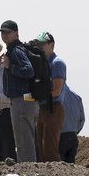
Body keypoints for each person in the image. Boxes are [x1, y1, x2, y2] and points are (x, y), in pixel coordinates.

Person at [0, 20, 37, 163]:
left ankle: (28, 173)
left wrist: (10, 66)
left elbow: (29, 70)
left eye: (8, 32)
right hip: (24, 99)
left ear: (16, 33)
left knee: (23, 140)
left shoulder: (16, 50)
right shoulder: (14, 49)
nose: (4, 35)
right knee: (25, 138)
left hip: (21, 100)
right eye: (2, 32)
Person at [34, 32, 66, 162]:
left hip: (53, 108)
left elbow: (57, 90)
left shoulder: (57, 63)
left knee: (50, 150)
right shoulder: (42, 63)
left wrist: (39, 93)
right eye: (38, 44)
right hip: (42, 108)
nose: (40, 46)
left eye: (43, 44)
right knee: (41, 149)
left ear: (51, 45)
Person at [59, 85, 85, 163]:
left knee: (57, 168)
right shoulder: (76, 97)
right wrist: (74, 131)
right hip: (73, 137)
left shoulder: (55, 97)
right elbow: (82, 119)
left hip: (60, 137)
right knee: (70, 169)